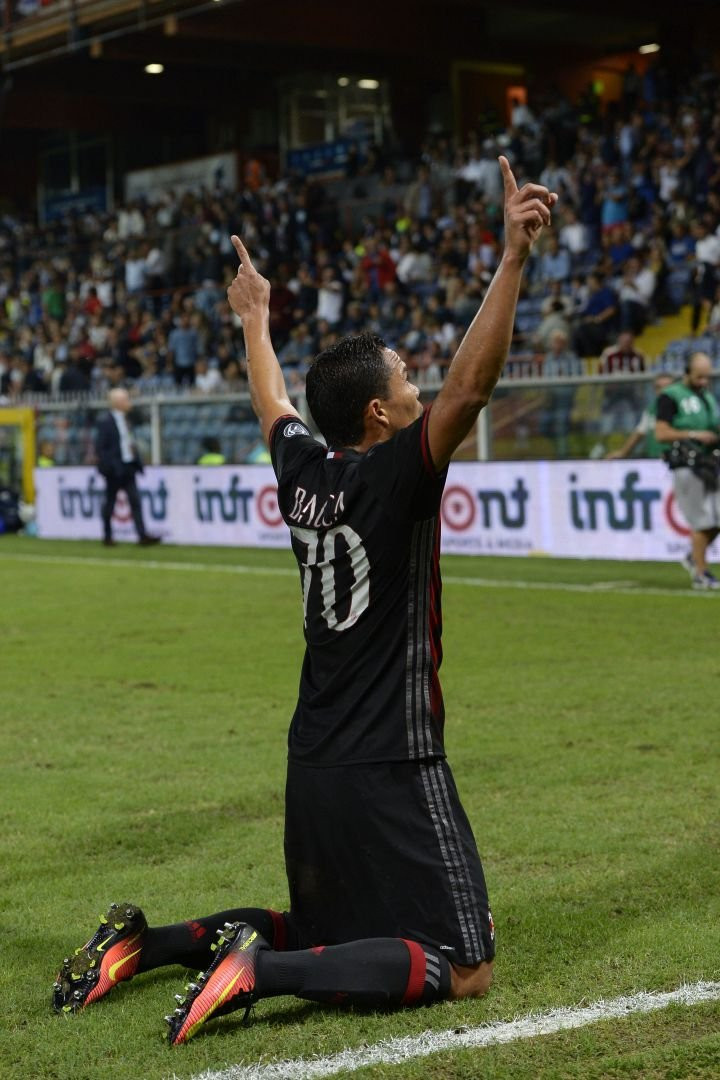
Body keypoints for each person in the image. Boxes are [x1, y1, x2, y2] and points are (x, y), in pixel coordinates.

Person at [53, 158, 557, 1044]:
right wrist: (512, 259)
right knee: (465, 963)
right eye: (404, 379)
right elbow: (472, 389)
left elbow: (272, 401)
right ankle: (260, 973)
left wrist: (254, 318)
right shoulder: (398, 476)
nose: (417, 385)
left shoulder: (303, 474)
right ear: (378, 416)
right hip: (391, 758)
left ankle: (145, 943)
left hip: (312, 760)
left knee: (331, 932)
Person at [655, 352, 720, 589]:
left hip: (710, 464)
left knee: (716, 518)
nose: (704, 381)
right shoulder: (670, 396)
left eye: (707, 376)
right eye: (699, 376)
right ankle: (701, 574)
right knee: (702, 521)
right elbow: (661, 433)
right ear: (686, 373)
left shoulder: (707, 397)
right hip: (686, 464)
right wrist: (693, 434)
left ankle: (694, 557)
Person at [95, 388, 161, 547]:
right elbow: (101, 447)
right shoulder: (105, 422)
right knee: (110, 503)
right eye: (126, 399)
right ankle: (107, 536)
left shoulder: (128, 420)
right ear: (117, 403)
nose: (129, 403)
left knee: (135, 501)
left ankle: (142, 535)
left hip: (129, 467)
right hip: (114, 469)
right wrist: (109, 465)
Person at [605, 373, 674, 459]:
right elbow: (639, 433)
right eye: (658, 387)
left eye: (668, 386)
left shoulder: (682, 408)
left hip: (675, 460)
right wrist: (623, 453)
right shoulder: (651, 410)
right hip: (654, 461)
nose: (663, 390)